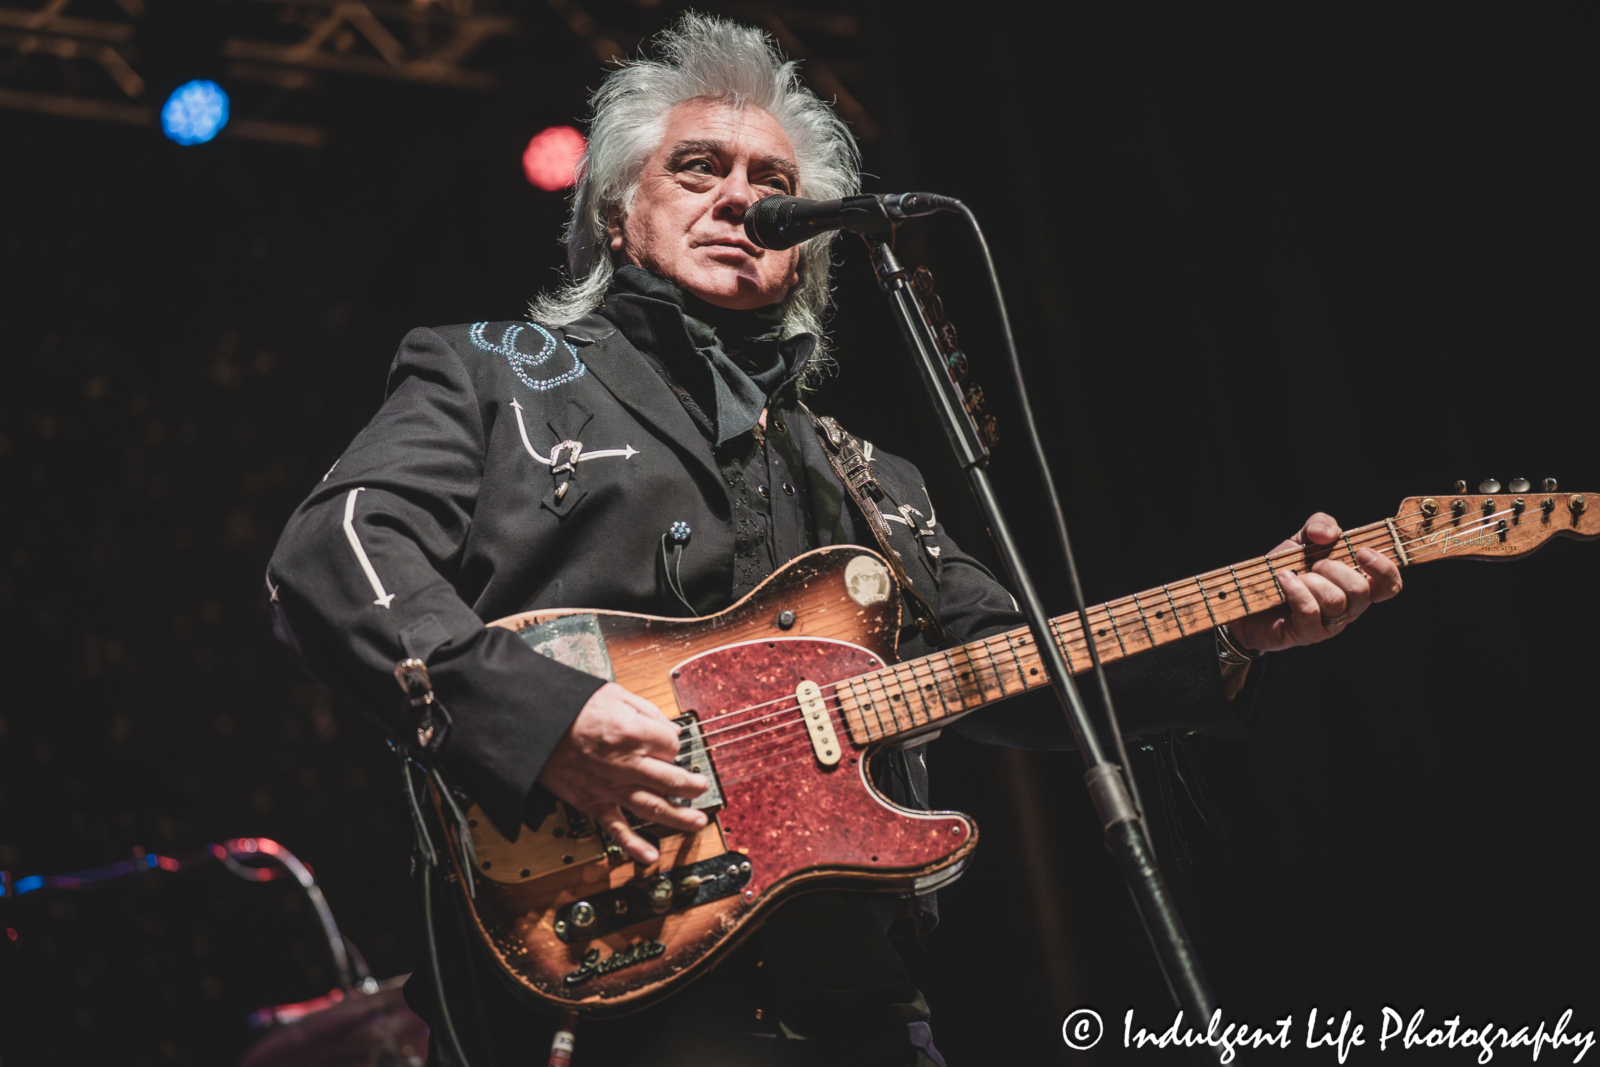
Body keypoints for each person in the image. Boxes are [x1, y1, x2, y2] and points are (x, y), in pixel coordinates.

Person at [266, 14, 1401, 1065]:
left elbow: (1019, 667)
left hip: (859, 996)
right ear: (617, 213)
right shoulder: (493, 372)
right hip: (603, 963)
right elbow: (335, 552)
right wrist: (542, 717)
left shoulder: (872, 477)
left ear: (807, 245)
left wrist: (1232, 634)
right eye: (697, 168)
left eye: (773, 183)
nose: (738, 197)